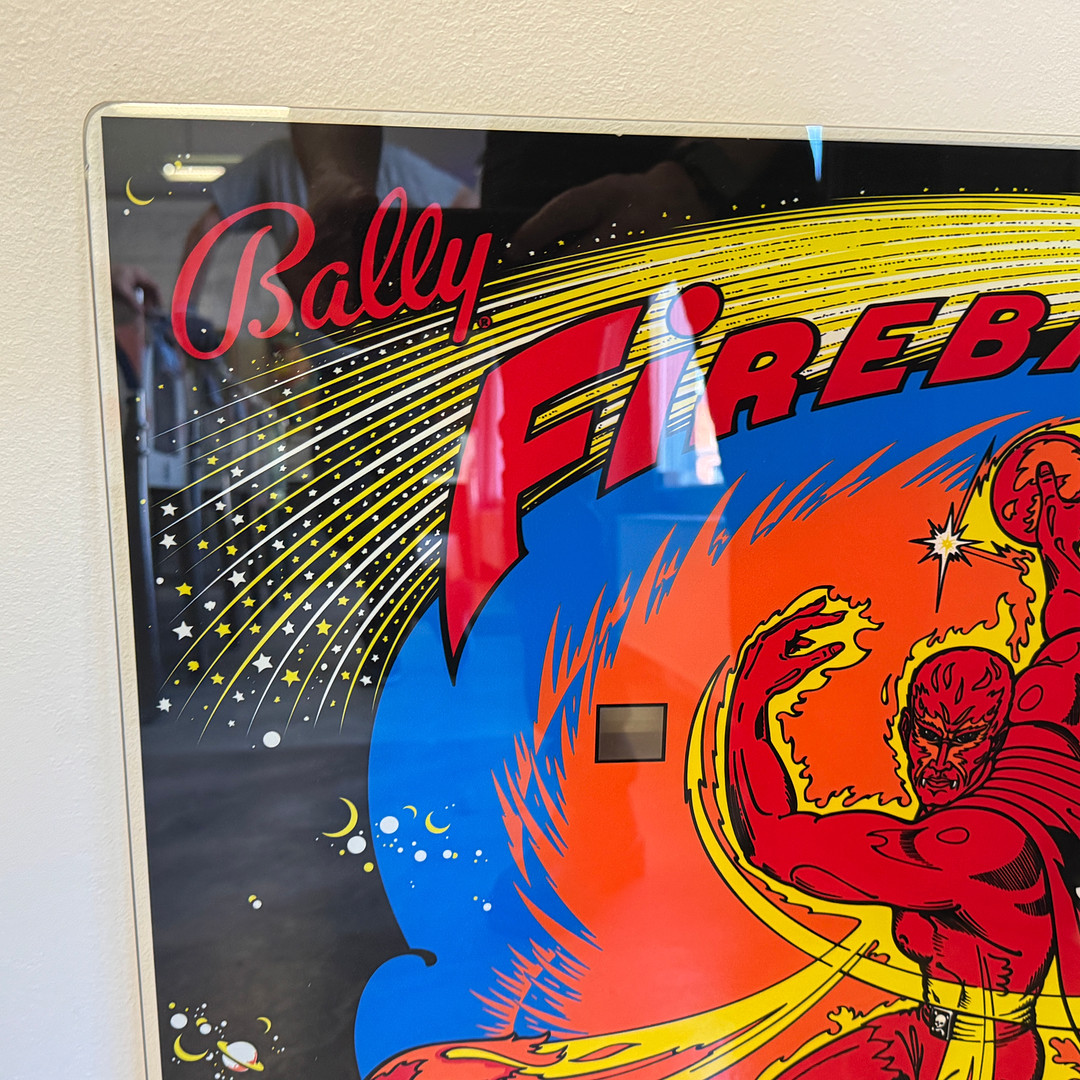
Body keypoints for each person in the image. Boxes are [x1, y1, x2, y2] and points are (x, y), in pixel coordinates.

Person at [725, 432, 1080, 1079]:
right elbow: (1069, 628)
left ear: (997, 738)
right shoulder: (1041, 720)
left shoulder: (980, 844)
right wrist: (1056, 537)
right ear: (904, 726)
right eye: (929, 734)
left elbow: (776, 844)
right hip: (920, 1031)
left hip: (977, 1058)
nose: (939, 762)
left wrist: (751, 699)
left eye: (963, 739)